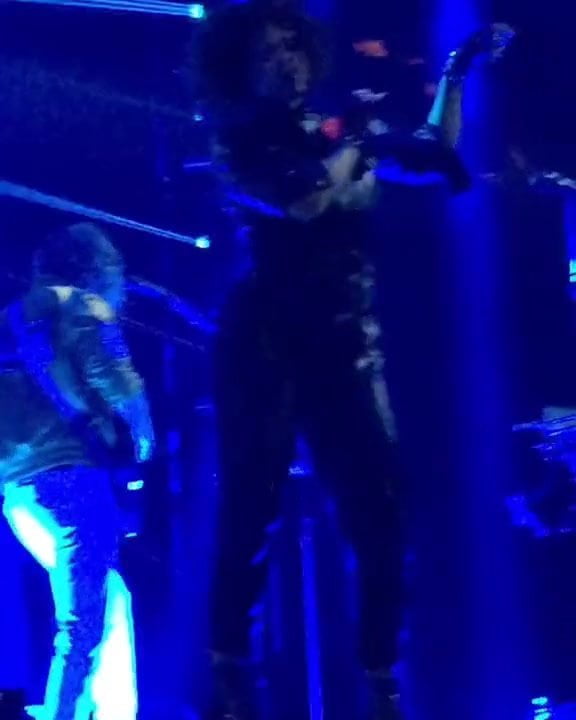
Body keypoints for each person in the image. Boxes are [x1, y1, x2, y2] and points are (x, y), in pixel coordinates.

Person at [194, 3, 501, 718]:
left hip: (344, 342)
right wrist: (356, 140)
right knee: (253, 507)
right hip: (266, 345)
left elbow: (432, 148)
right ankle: (230, 668)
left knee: (384, 506)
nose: (287, 61)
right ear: (241, 67)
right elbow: (305, 199)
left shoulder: (336, 131)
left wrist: (455, 70)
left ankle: (380, 674)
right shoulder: (239, 140)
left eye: (293, 47)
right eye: (269, 52)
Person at [0, 222, 155, 720]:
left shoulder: (11, 319)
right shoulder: (80, 304)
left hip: (19, 491)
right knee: (84, 622)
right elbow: (115, 380)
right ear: (98, 270)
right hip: (70, 479)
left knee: (111, 599)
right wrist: (142, 435)